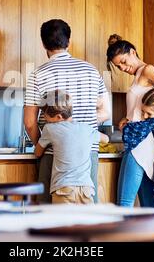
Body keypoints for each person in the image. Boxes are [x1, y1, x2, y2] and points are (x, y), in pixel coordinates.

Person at [24, 19, 111, 203]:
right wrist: (80, 128)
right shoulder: (91, 71)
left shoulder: (38, 74)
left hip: (52, 154)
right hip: (87, 153)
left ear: (43, 44)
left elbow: (29, 122)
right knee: (87, 213)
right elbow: (105, 112)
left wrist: (42, 144)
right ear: (69, 42)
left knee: (51, 216)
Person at [106, 37, 154, 207]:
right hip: (142, 142)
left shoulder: (148, 70)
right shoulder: (138, 76)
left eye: (124, 62)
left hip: (139, 145)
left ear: (132, 52)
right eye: (120, 67)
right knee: (148, 206)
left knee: (124, 205)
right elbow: (142, 107)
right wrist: (128, 118)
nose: (124, 68)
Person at [34, 90, 110, 204]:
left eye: (45, 114)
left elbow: (38, 153)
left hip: (63, 189)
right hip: (86, 190)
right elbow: (106, 139)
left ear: (59, 116)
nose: (44, 118)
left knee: (63, 222)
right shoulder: (86, 129)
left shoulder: (50, 129)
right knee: (86, 222)